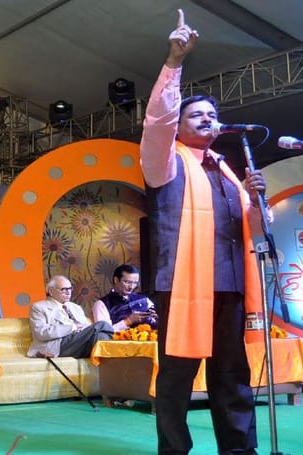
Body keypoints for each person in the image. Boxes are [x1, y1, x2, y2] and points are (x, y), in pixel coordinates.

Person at [140, 10, 270, 454]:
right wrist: (175, 61)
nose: (206, 119)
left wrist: (255, 200)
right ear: (178, 126)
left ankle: (239, 449)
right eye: (195, 114)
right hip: (182, 287)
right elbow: (157, 121)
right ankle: (174, 450)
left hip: (229, 286)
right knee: (177, 377)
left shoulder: (229, 171)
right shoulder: (165, 162)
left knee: (232, 376)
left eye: (212, 115)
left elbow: (254, 231)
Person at [27, 275, 113, 358]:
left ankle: (105, 368)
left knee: (101, 336)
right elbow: (41, 333)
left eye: (70, 288)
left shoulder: (75, 307)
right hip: (58, 345)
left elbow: (85, 327)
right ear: (51, 291)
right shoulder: (39, 307)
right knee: (101, 325)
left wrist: (83, 329)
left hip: (79, 343)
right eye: (64, 289)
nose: (68, 292)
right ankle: (113, 334)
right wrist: (73, 327)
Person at [92, 264, 157, 332]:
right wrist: (128, 321)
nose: (131, 287)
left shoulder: (144, 299)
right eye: (127, 282)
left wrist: (155, 318)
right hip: (121, 338)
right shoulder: (101, 304)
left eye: (135, 283)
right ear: (116, 280)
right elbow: (103, 333)